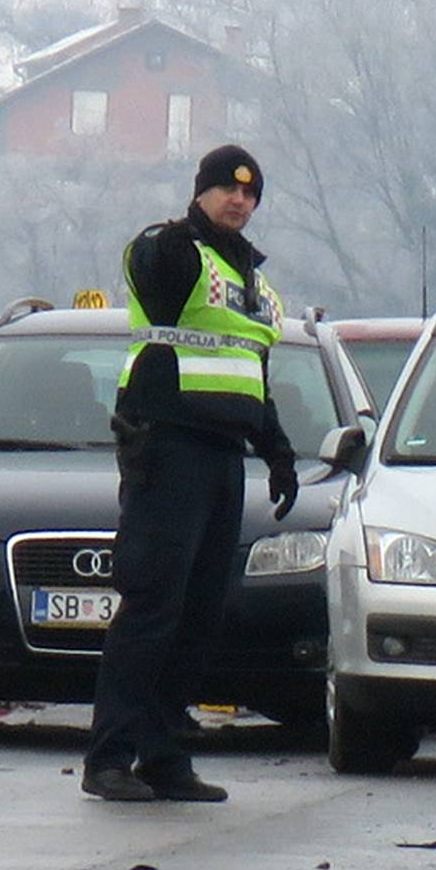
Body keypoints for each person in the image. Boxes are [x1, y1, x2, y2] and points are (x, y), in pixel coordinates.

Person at [82, 145, 299, 803]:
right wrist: (185, 229)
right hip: (167, 448)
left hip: (223, 454)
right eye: (226, 189)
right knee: (153, 605)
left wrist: (279, 452)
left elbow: (250, 373)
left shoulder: (256, 283)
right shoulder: (174, 253)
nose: (239, 200)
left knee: (200, 615)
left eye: (250, 193)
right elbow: (152, 269)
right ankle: (109, 756)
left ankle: (164, 754)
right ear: (201, 191)